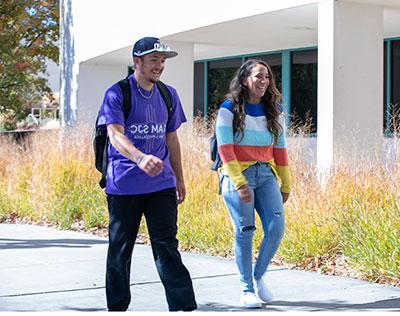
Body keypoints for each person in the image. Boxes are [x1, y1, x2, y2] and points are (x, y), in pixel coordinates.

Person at [96, 37, 197, 312]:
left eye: (162, 61)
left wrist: (179, 177)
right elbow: (115, 135)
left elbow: (171, 139)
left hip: (161, 184)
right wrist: (139, 158)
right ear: (136, 61)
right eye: (154, 60)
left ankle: (183, 306)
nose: (160, 66)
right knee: (120, 248)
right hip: (124, 184)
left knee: (167, 246)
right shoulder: (117, 93)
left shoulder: (168, 94)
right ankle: (117, 307)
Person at [215, 59, 291, 308]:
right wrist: (239, 182)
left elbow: (280, 148)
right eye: (259, 76)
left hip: (266, 174)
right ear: (245, 79)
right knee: (245, 232)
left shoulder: (274, 109)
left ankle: (258, 277)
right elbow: (225, 150)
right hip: (237, 175)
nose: (264, 81)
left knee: (276, 227)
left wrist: (286, 184)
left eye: (267, 77)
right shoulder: (228, 109)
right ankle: (246, 289)